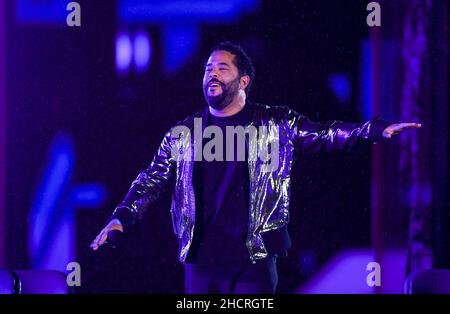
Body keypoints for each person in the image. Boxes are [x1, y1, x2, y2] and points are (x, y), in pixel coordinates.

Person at [90, 41, 421, 294]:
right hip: (200, 260)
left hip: (254, 259)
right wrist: (121, 217)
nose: (212, 74)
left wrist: (374, 130)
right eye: (208, 69)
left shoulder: (274, 122)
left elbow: (324, 133)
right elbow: (152, 180)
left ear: (243, 80)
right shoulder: (183, 133)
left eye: (222, 68)